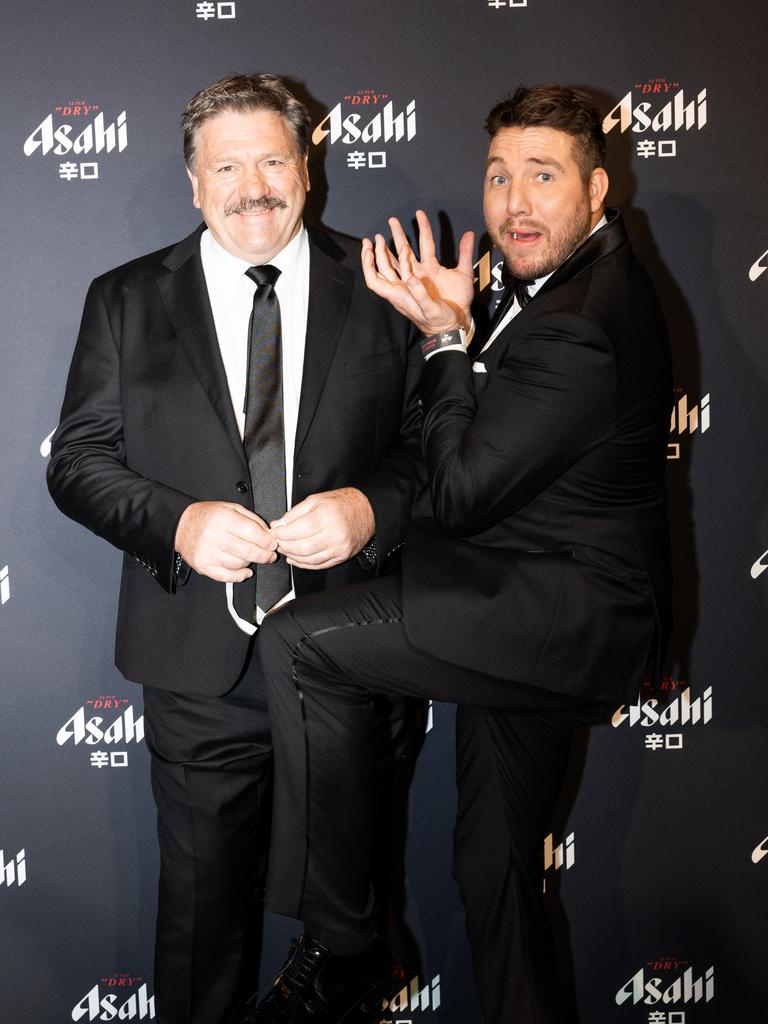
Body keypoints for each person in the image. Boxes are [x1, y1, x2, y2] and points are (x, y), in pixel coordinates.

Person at [252, 84, 673, 1024]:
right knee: (494, 869)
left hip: (553, 616)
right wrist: (461, 328)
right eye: (499, 176)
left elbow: (458, 491)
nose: (517, 202)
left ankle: (346, 942)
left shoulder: (582, 320)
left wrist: (445, 336)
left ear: (598, 191)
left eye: (544, 176)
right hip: (522, 603)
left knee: (297, 643)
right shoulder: (555, 286)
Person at [47, 74, 425, 1024]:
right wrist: (176, 521)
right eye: (226, 165)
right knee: (202, 929)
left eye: (270, 159)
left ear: (307, 166)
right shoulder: (126, 299)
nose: (251, 185)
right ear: (192, 183)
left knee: (348, 938)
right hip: (198, 670)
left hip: (352, 659)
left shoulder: (382, 288)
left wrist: (368, 510)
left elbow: (437, 453)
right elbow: (79, 461)